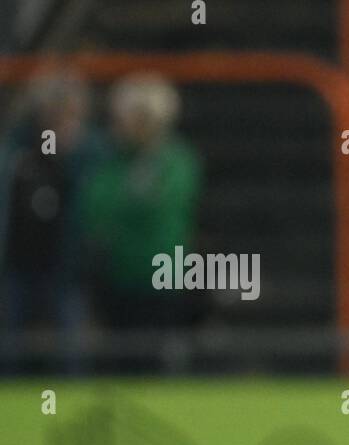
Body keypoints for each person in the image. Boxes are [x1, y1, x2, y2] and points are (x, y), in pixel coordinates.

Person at [80, 73, 202, 373]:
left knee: (156, 360)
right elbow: (95, 208)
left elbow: (160, 204)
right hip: (119, 274)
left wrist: (127, 205)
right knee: (121, 361)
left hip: (162, 276)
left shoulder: (176, 159)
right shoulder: (111, 163)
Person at [0, 71, 104, 376]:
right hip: (18, 264)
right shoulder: (18, 148)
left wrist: (71, 154)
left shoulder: (89, 150)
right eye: (53, 109)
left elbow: (93, 202)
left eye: (67, 109)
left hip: (66, 267)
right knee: (10, 347)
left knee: (71, 351)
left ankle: (71, 409)